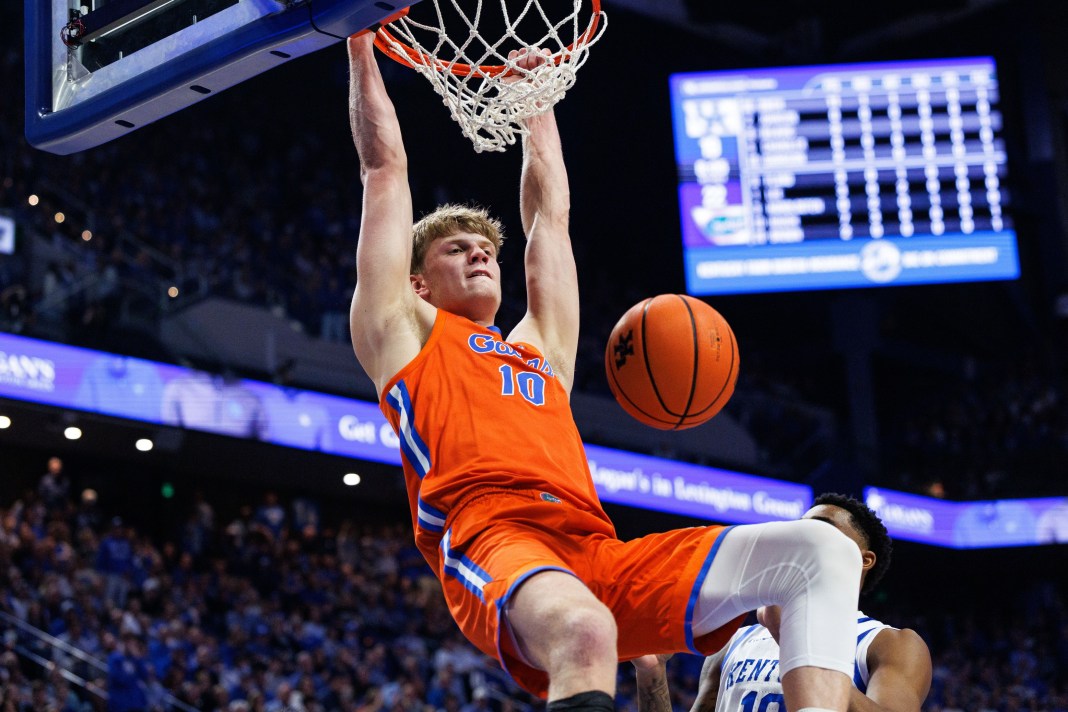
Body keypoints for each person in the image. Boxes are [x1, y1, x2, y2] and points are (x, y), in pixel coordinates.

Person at [346, 31, 863, 712]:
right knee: (586, 632)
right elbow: (384, 169)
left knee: (822, 551)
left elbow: (550, 220)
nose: (479, 255)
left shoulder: (537, 352)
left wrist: (535, 105)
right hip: (495, 538)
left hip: (596, 548)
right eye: (456, 249)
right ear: (416, 283)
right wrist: (360, 43)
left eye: (485, 249)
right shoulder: (402, 332)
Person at [631, 493, 932, 712]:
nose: (802, 536)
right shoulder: (734, 641)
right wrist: (651, 673)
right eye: (800, 528)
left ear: (863, 559)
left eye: (822, 527)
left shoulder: (888, 643)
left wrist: (791, 640)